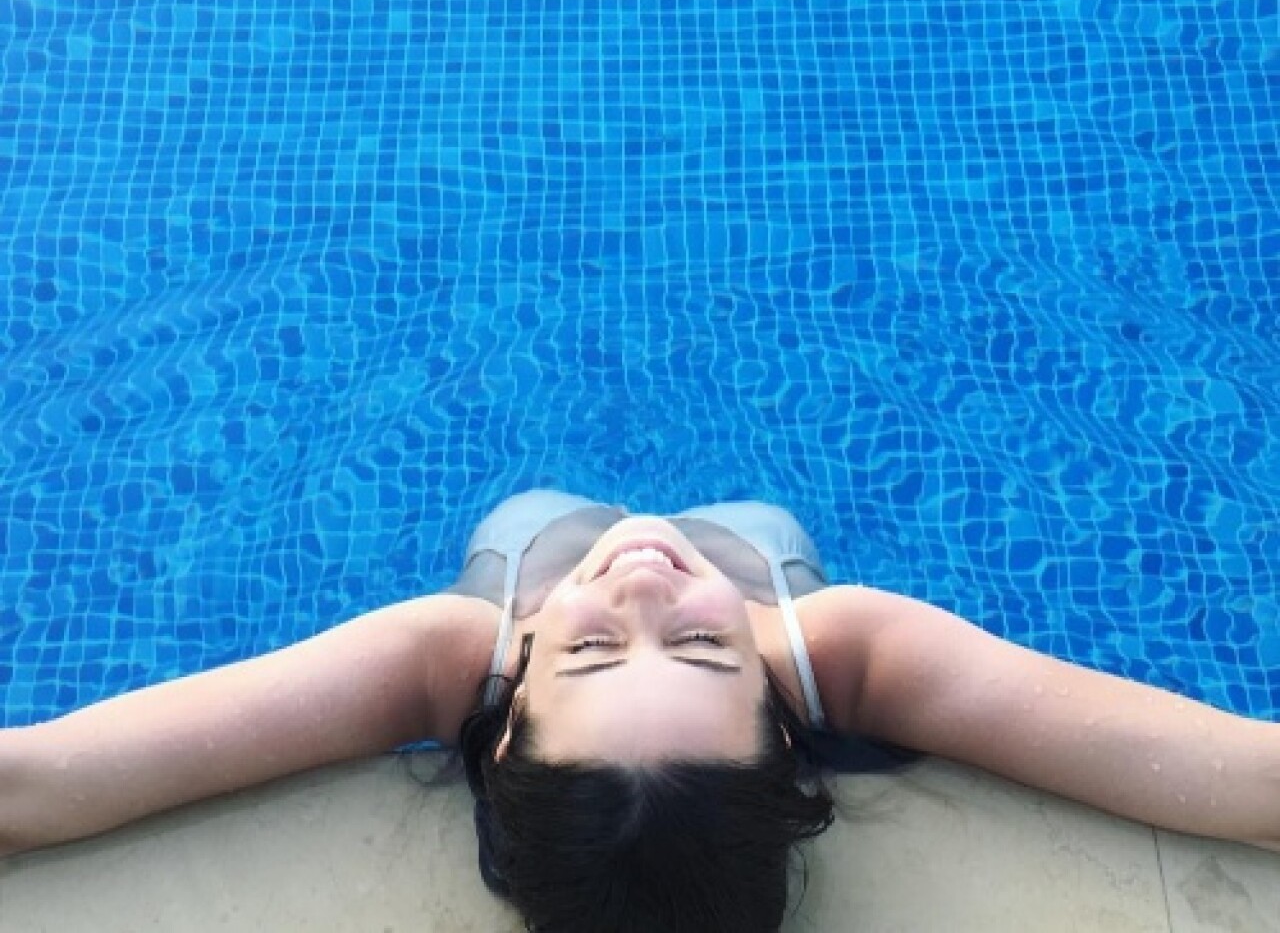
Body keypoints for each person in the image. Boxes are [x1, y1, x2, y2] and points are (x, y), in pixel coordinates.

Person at [1, 489, 1278, 933]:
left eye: (592, 650)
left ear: (506, 721)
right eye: (708, 650)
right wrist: (747, 609)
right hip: (761, 556)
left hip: (525, 558)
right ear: (785, 722)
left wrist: (542, 609)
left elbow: (43, 780)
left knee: (527, 518)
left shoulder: (456, 653)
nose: (643, 579)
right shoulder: (835, 645)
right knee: (758, 527)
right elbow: (1232, 776)